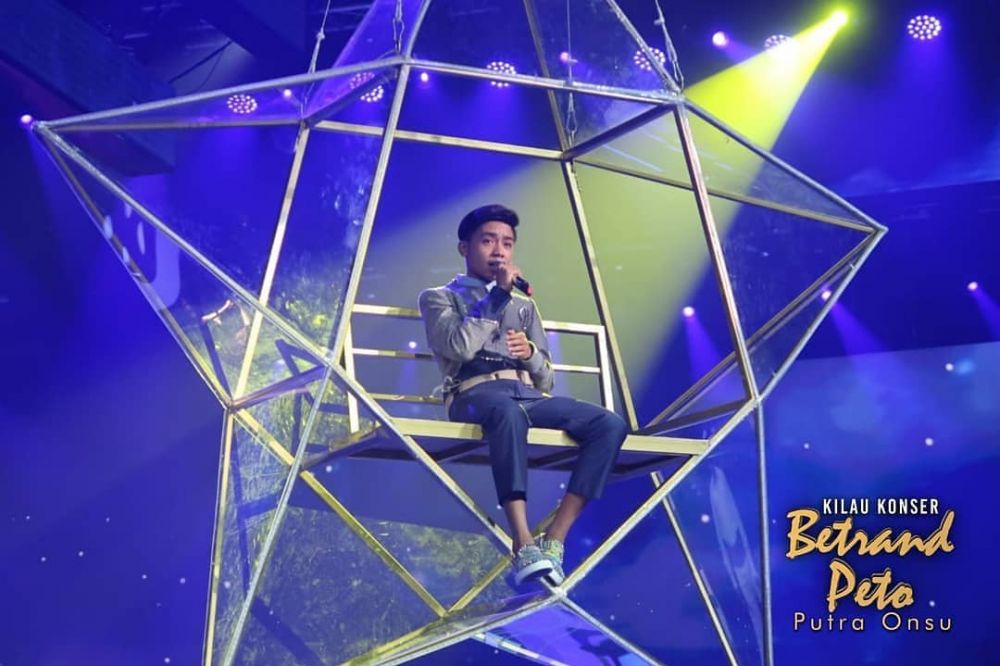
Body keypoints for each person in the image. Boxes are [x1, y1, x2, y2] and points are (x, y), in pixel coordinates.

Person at [417, 204, 629, 585]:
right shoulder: (439, 298)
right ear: (465, 248)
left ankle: (555, 539)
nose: (499, 251)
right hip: (473, 394)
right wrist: (497, 296)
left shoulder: (525, 306)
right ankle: (523, 541)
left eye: (507, 243)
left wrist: (530, 354)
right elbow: (459, 347)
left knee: (609, 425)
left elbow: (546, 380)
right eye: (488, 241)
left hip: (526, 395)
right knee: (507, 413)